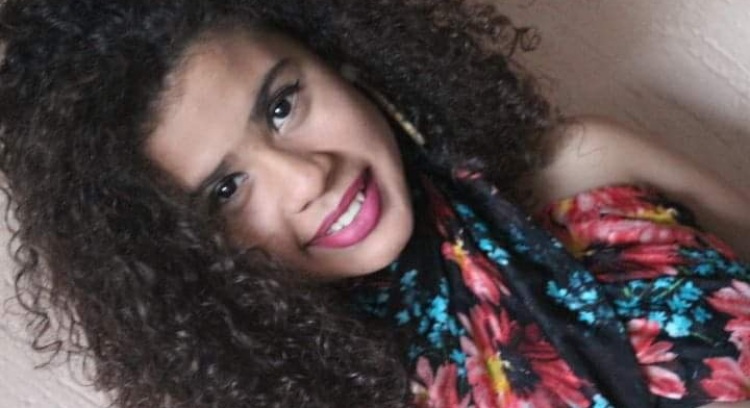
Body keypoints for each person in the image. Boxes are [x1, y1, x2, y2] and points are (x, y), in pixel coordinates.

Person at [1, 0, 749, 407]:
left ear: (341, 58)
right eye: (225, 191)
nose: (307, 178)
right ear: (184, 252)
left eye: (283, 106)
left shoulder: (590, 164)